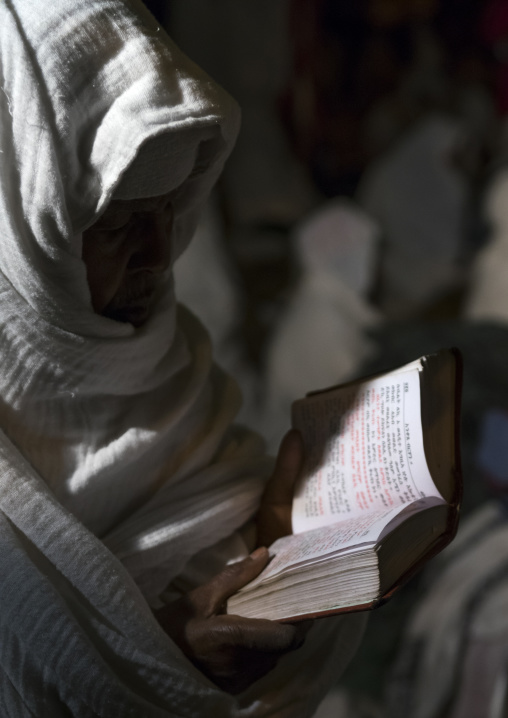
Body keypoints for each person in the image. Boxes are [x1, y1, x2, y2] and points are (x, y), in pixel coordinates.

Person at [0, 1, 366, 715]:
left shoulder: (172, 360)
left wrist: (277, 539)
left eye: (173, 209)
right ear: (25, 219)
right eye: (121, 225)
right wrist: (165, 655)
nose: (159, 255)